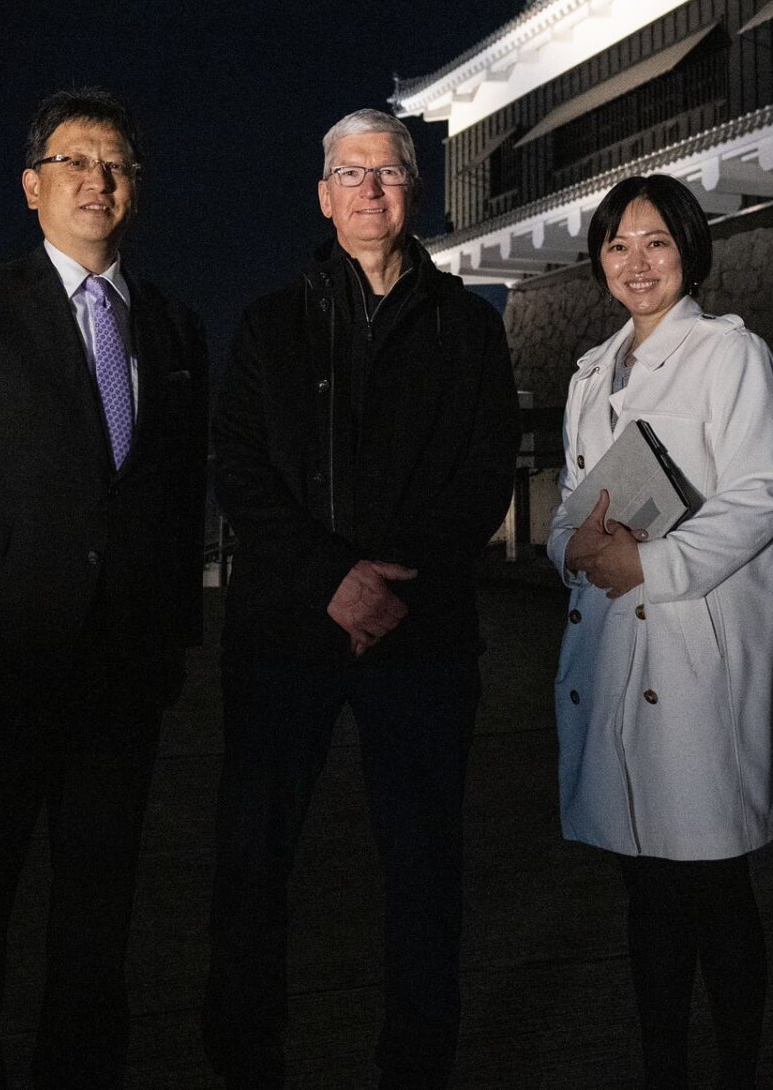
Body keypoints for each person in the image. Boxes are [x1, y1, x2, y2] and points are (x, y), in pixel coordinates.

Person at [0, 87, 209, 1089]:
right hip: (1, 659)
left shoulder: (169, 324)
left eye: (115, 161)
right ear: (33, 187)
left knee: (98, 901)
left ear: (136, 187)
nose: (97, 178)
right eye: (75, 160)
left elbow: (176, 493)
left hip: (123, 671)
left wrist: (175, 641)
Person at [203, 108, 519, 1089]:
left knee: (424, 866)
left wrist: (388, 584)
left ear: (414, 191)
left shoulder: (467, 323)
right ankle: (245, 1059)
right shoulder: (269, 323)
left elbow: (481, 472)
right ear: (322, 194)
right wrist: (328, 579)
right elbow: (240, 468)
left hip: (420, 633)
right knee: (255, 859)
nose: (370, 189)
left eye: (388, 172)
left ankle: (416, 1065)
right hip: (284, 631)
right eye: (350, 172)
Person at [550, 174, 773, 1090]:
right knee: (642, 875)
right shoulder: (594, 371)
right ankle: (664, 1065)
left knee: (709, 877)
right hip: (617, 645)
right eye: (619, 245)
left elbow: (761, 495)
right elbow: (569, 508)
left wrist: (651, 568)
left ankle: (735, 1070)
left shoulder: (730, 356)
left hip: (694, 650)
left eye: (657, 242)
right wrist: (573, 548)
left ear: (689, 251)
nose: (637, 262)